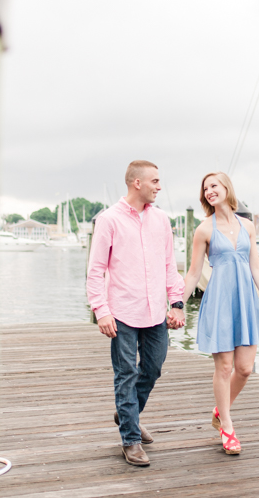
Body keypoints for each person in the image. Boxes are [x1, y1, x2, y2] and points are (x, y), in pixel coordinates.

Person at [86, 160, 186, 467]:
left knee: (153, 368)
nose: (159, 186)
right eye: (154, 181)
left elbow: (170, 265)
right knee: (126, 374)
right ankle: (130, 438)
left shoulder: (162, 220)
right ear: (136, 183)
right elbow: (96, 270)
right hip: (122, 312)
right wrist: (101, 310)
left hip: (156, 311)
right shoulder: (109, 220)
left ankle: (127, 411)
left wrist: (177, 302)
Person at [179, 171, 259, 455]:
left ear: (226, 188)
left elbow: (255, 266)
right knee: (223, 368)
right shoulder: (204, 230)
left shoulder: (247, 225)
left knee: (245, 369)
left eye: (214, 185)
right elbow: (194, 272)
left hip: (246, 300)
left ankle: (221, 410)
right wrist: (178, 304)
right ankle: (228, 428)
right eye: (205, 188)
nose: (209, 191)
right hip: (220, 301)